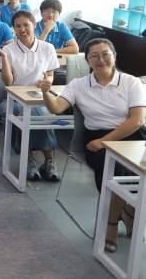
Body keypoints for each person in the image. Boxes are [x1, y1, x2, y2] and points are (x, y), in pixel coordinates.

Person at [40, 38, 146, 252]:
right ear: (87, 61)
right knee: (117, 172)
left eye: (106, 54)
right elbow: (57, 108)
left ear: (114, 56)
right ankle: (112, 224)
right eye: (94, 56)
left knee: (138, 173)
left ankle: (129, 211)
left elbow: (136, 121)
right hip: (96, 138)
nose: (101, 59)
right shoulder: (78, 85)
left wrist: (106, 141)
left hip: (131, 134)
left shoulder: (131, 82)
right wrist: (45, 93)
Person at [0, 10, 60, 182]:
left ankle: (48, 161)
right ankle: (29, 159)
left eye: (26, 25)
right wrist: (4, 59)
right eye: (18, 26)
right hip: (10, 96)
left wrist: (46, 82)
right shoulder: (8, 49)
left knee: (41, 113)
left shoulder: (48, 48)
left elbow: (51, 75)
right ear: (13, 29)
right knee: (22, 113)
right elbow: (8, 83)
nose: (22, 29)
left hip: (38, 96)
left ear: (34, 25)